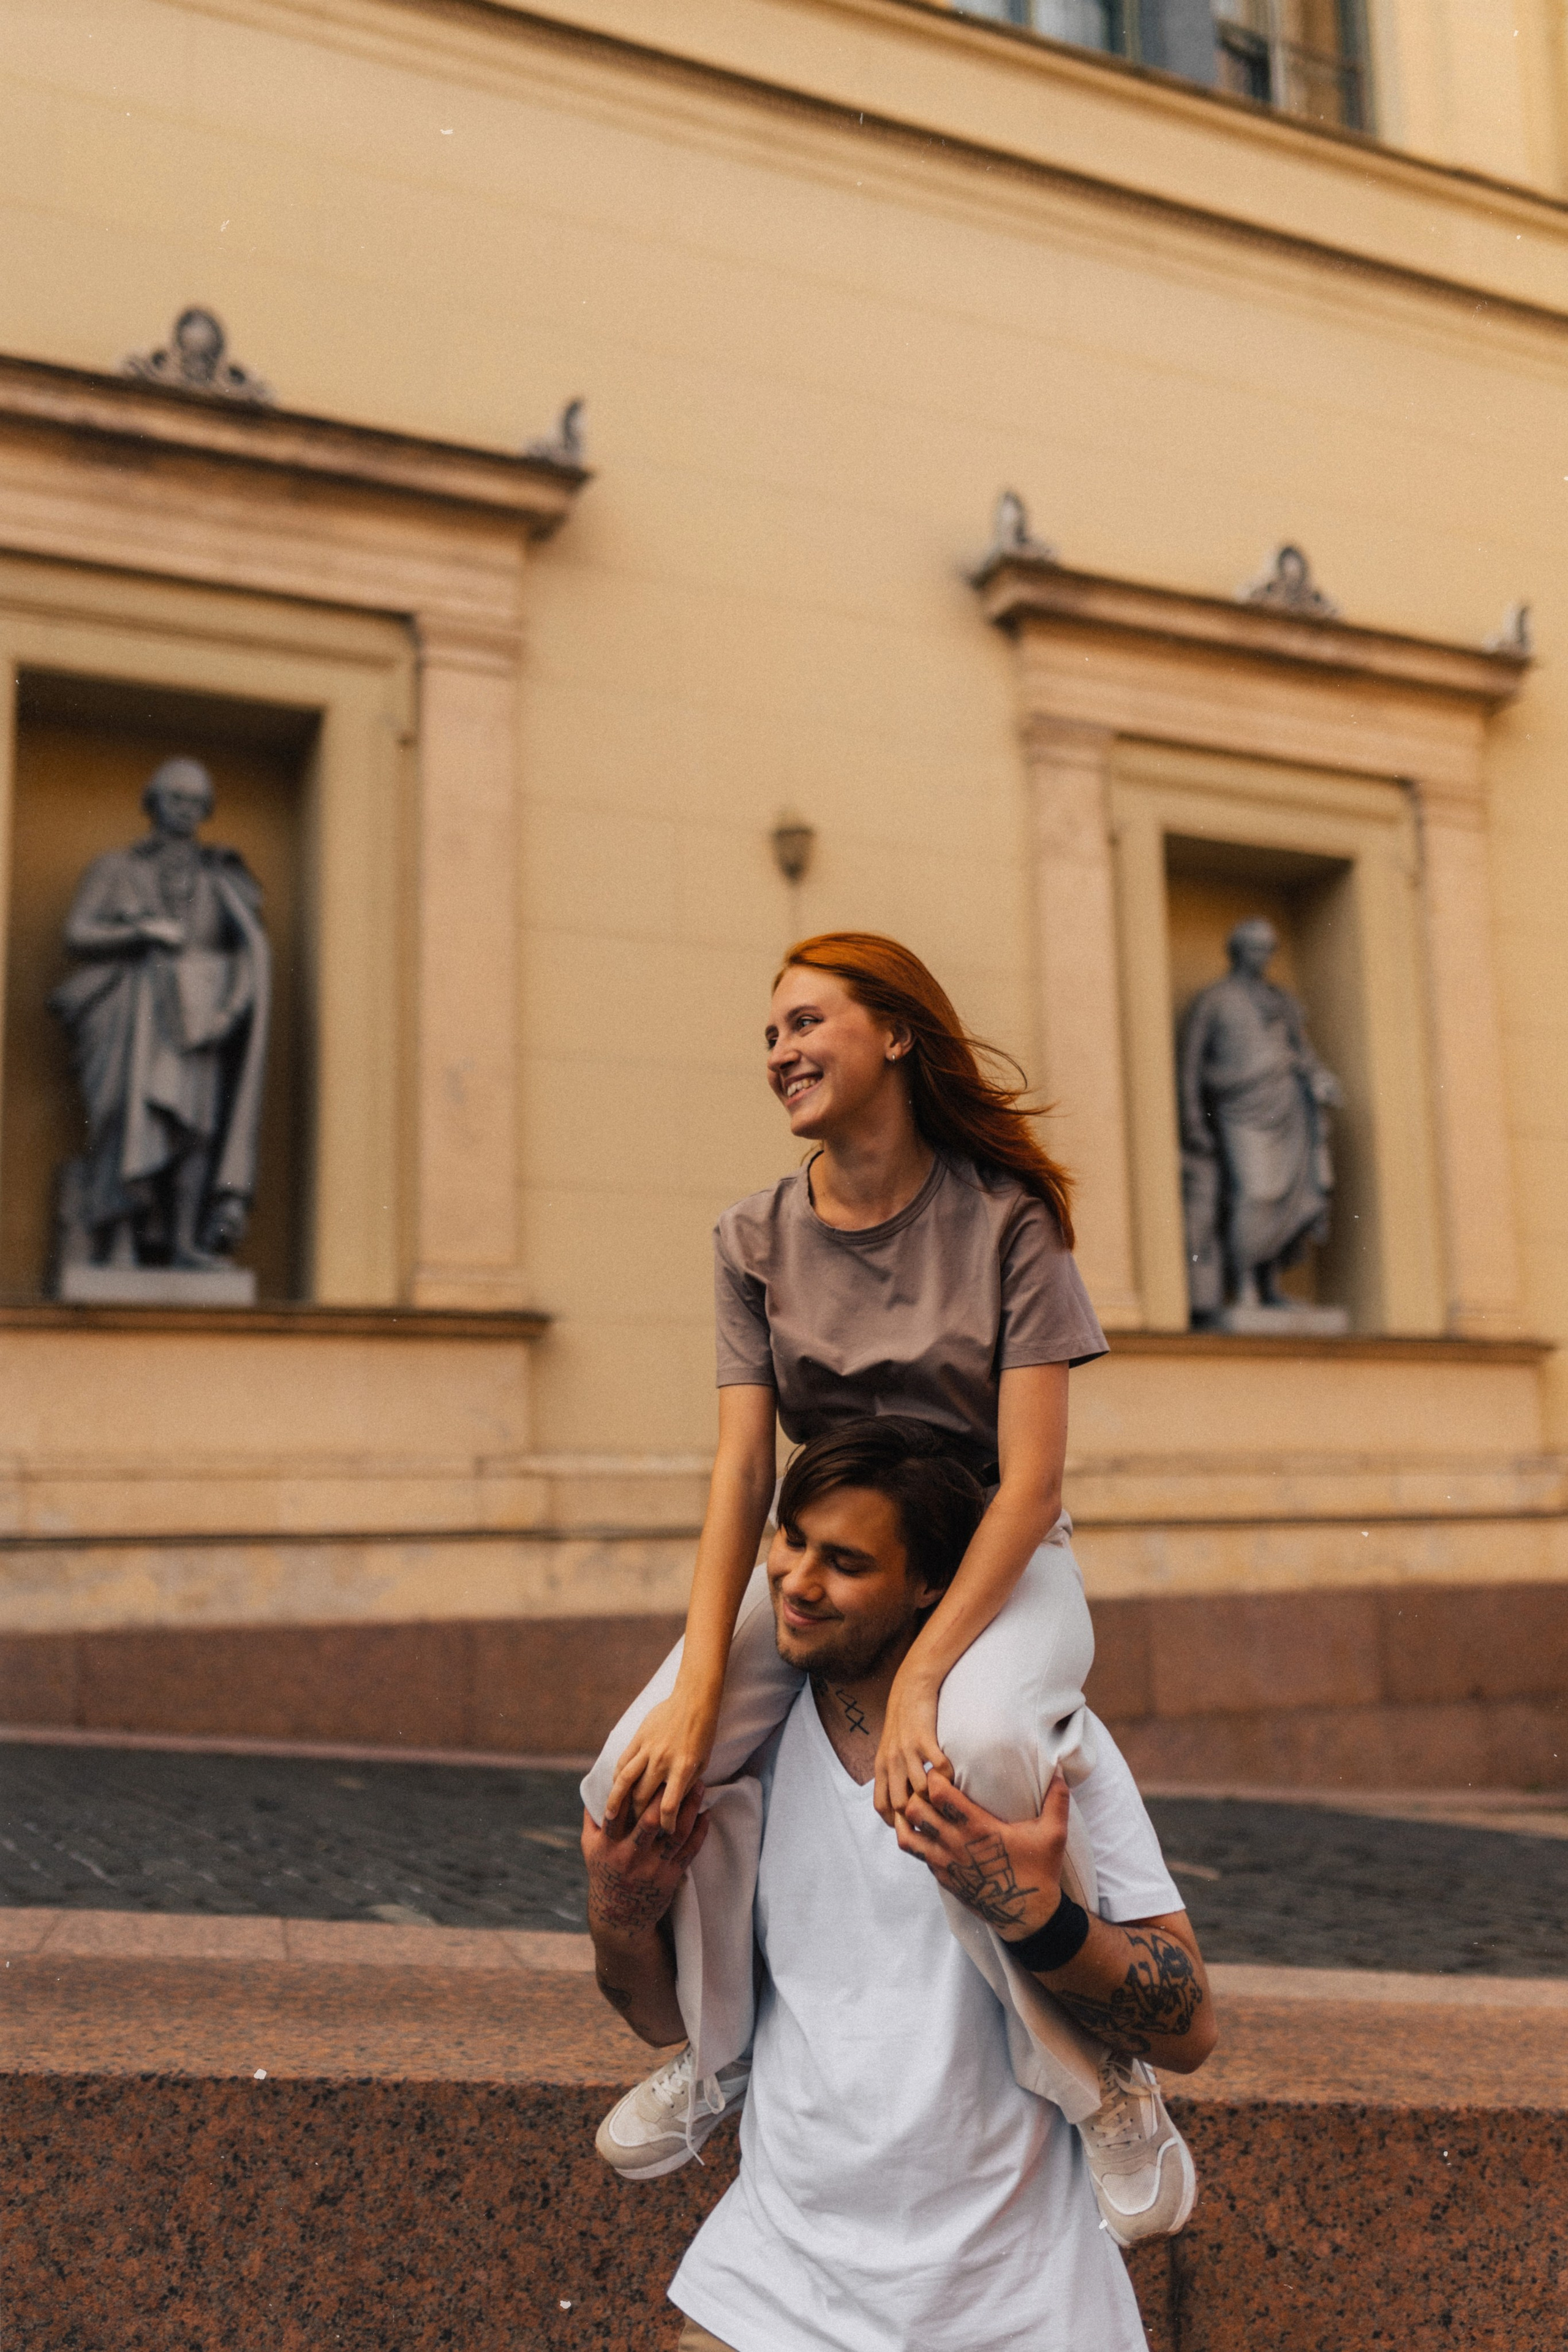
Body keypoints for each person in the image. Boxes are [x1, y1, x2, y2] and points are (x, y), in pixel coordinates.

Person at [580, 932, 1193, 2236]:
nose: (780, 1054)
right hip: (836, 1550)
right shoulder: (752, 1236)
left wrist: (921, 1676)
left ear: (896, 1035)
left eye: (806, 1023)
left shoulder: (1005, 1223)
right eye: (768, 1036)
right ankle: (721, 2052)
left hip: (998, 1560)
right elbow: (744, 1475)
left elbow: (1027, 1486)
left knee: (967, 1744)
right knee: (631, 1773)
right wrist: (697, 1693)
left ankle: (1101, 2081)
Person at [585, 1418, 1216, 2352]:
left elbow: (1190, 2026)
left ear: (930, 1584)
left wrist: (1041, 1920)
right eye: (791, 1539)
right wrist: (621, 1910)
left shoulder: (1039, 1752)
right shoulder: (740, 1754)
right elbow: (653, 2018)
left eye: (845, 1561)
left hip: (1020, 2305)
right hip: (775, 2290)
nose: (797, 1581)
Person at [49, 756, 271, 1272]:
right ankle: (120, 1242)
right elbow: (78, 933)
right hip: (132, 1016)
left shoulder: (219, 878)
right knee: (127, 1122)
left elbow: (249, 954)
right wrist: (140, 934)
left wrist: (231, 1010)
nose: (187, 811)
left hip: (198, 1021)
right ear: (154, 803)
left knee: (195, 1131)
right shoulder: (118, 868)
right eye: (176, 799)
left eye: (197, 802)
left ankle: (185, 1244)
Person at [1177, 917, 1341, 1322]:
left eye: (1269, 948)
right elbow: (1190, 1065)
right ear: (1238, 949)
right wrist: (1192, 1118)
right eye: (1255, 947)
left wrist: (1321, 1079)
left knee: (1294, 1196)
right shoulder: (1215, 1000)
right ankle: (1245, 1284)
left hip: (1289, 1104)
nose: (1263, 956)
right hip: (1241, 1109)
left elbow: (1303, 1052)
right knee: (1255, 1193)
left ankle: (1269, 1286)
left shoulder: (1279, 1000)